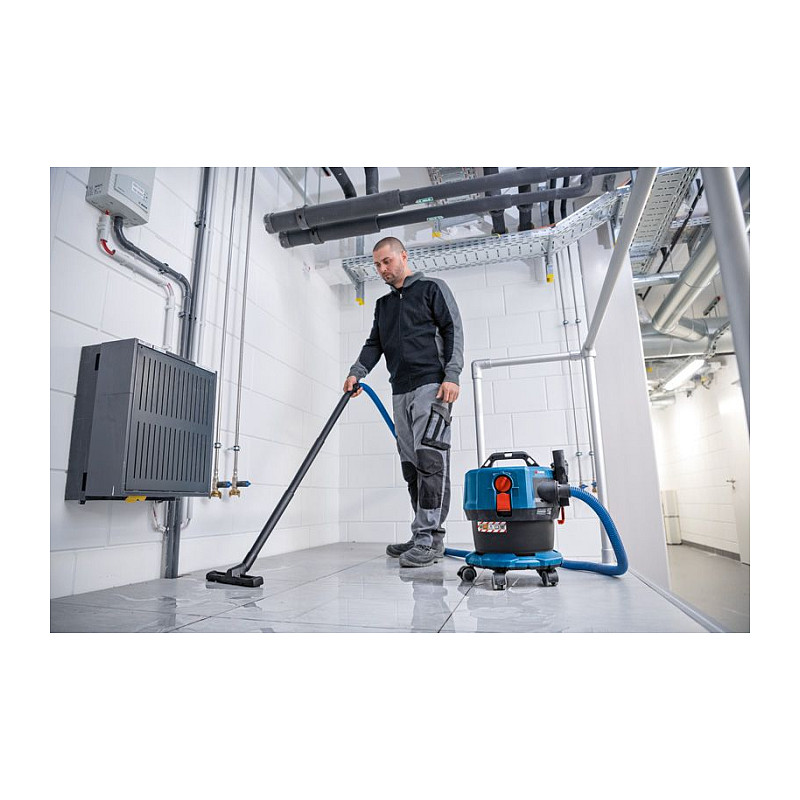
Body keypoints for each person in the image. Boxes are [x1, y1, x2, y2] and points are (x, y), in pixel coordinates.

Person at [344, 236, 464, 568]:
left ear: (403, 257)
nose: (382, 269)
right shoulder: (383, 306)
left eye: (387, 261)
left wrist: (452, 375)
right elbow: (374, 344)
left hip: (432, 387)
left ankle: (429, 538)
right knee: (412, 467)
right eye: (377, 265)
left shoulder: (431, 289)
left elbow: (453, 330)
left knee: (431, 461)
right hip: (400, 390)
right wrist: (357, 372)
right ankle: (423, 535)